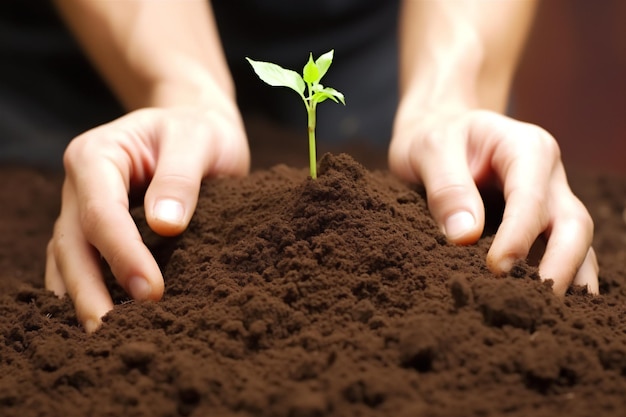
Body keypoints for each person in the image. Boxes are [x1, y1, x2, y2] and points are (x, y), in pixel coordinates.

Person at [24, 0, 597, 333]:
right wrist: (177, 86)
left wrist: (451, 96)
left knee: (448, 180)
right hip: (85, 51)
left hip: (371, 30)